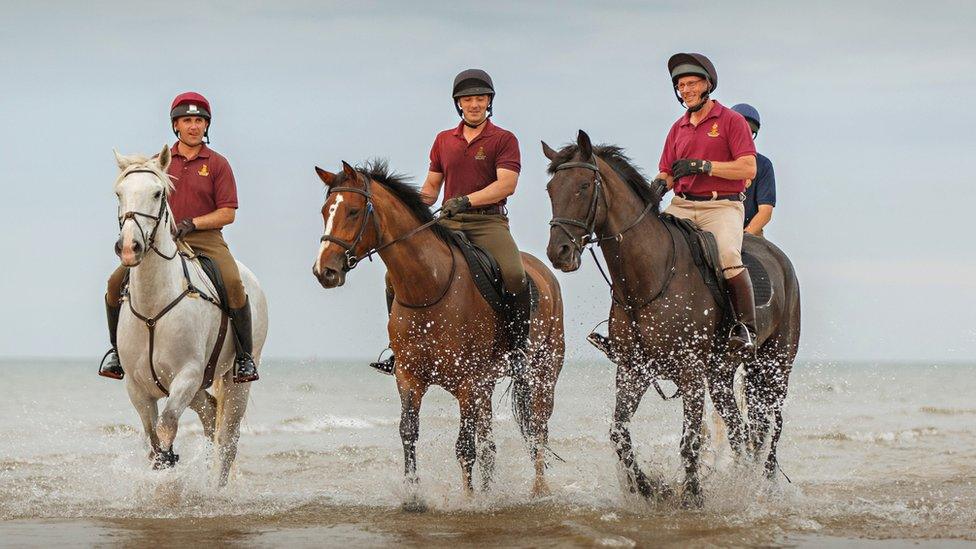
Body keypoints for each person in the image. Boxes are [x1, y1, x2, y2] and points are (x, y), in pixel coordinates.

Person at [370, 69, 530, 374]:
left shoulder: (504, 139)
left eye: (480, 98)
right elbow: (431, 190)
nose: (473, 104)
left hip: (488, 223)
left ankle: (518, 349)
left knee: (513, 273)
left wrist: (467, 200)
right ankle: (399, 347)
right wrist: (403, 204)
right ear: (458, 103)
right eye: (467, 99)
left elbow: (507, 184)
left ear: (489, 102)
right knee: (393, 277)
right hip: (449, 222)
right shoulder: (444, 140)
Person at [99, 92, 259, 383]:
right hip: (159, 242)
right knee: (113, 284)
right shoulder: (157, 164)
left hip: (205, 239)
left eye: (199, 121)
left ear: (206, 126)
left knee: (234, 283)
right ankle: (116, 353)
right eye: (187, 121)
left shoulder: (218, 164)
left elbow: (228, 212)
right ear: (176, 126)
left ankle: (245, 358)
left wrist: (193, 223)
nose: (193, 126)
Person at [652, 53, 759, 352]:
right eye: (680, 86)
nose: (685, 90)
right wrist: (660, 183)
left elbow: (748, 168)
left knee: (726, 254)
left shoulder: (731, 121)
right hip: (683, 205)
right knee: (648, 246)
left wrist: (704, 167)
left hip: (721, 206)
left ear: (707, 84)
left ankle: (745, 329)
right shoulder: (678, 128)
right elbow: (668, 170)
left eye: (691, 84)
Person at [730, 103, 776, 237]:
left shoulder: (763, 165)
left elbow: (765, 211)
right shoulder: (713, 161)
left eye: (749, 133)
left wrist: (745, 235)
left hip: (748, 230)